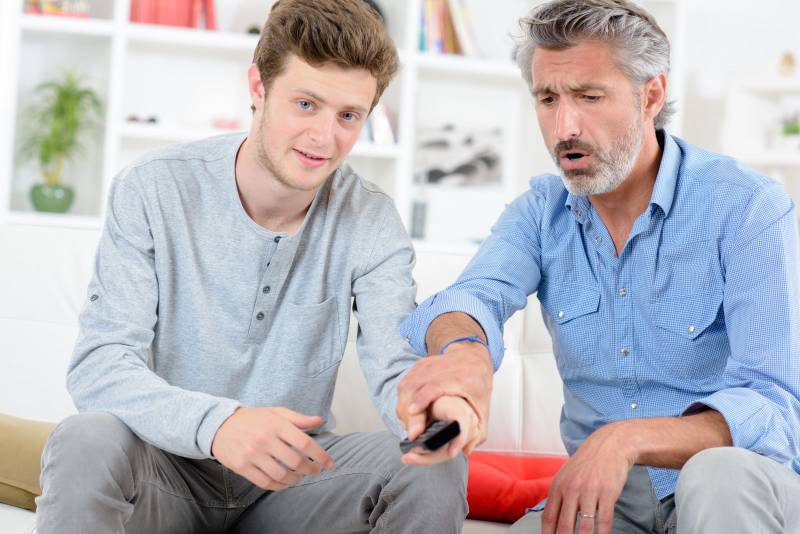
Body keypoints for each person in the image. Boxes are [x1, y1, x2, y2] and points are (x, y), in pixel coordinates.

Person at [35, 1, 477, 532]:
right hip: (166, 471)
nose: (324, 137)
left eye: (348, 116)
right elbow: (100, 365)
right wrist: (220, 425)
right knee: (85, 438)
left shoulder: (371, 219)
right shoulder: (153, 187)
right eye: (306, 104)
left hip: (295, 483)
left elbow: (393, 365)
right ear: (258, 88)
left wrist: (432, 409)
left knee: (436, 464)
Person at [397, 1, 800, 533]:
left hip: (737, 487)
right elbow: (472, 297)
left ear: (651, 95)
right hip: (612, 499)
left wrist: (625, 439)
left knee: (717, 474)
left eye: (589, 97)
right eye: (548, 98)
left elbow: (774, 407)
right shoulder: (541, 214)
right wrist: (465, 355)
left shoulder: (747, 207)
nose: (564, 127)